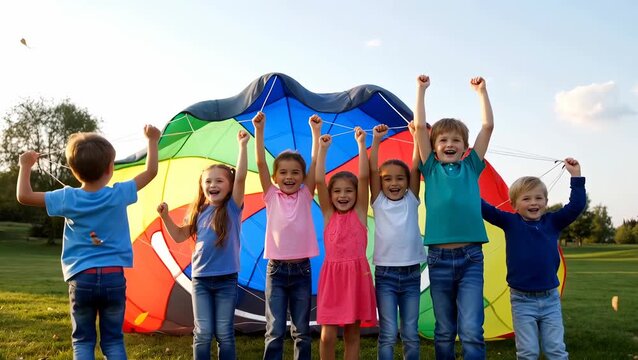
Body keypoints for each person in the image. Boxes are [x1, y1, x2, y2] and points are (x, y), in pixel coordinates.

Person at [16, 125, 160, 359]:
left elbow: (24, 196)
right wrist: (152, 140)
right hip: (114, 277)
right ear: (110, 169)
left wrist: (25, 166)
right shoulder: (118, 194)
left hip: (81, 278)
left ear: (74, 171)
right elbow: (151, 172)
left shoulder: (67, 197)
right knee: (113, 341)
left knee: (83, 341)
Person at [413, 74, 494, 360]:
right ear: (434, 147)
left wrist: (481, 92)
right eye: (443, 140)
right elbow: (421, 128)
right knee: (445, 329)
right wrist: (421, 91)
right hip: (438, 260)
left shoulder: (472, 166)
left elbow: (488, 126)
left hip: (471, 258)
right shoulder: (430, 169)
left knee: (472, 329)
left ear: (465, 146)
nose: (450, 144)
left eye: (456, 140)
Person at [156, 129, 250, 360]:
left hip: (226, 279)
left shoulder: (232, 208)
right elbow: (178, 235)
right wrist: (165, 216)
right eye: (208, 181)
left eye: (219, 181)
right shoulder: (199, 212)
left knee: (224, 333)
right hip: (201, 280)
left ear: (229, 186)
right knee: (203, 333)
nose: (213, 185)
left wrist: (243, 146)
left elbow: (240, 177)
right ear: (202, 185)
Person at [481, 158, 585, 360]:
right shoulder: (510, 222)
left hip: (550, 300)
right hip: (522, 301)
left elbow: (576, 205)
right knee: (528, 352)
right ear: (514, 205)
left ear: (546, 202)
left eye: (539, 198)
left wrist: (576, 175)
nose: (534, 203)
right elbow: (483, 208)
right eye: (526, 199)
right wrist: (464, 181)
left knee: (556, 350)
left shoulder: (553, 222)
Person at [253, 111, 321, 360]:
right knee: (274, 329)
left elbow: (314, 163)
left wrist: (315, 133)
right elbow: (260, 163)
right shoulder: (271, 195)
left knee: (302, 330)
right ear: (274, 177)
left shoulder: (305, 194)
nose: (289, 177)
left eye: (295, 173)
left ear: (302, 178)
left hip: (301, 271)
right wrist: (259, 130)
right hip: (277, 271)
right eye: (283, 172)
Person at [315, 129, 377, 360]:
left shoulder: (360, 212)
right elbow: (320, 180)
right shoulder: (328, 214)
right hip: (332, 279)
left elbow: (363, 178)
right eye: (338, 191)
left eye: (349, 191)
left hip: (356, 277)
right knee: (327, 336)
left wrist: (361, 144)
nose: (343, 195)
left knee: (352, 335)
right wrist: (323, 150)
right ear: (330, 196)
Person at [369, 122, 427, 360]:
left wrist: (415, 137)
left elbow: (415, 168)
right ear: (381, 184)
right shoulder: (378, 201)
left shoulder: (412, 200)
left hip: (412, 274)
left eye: (399, 179)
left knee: (411, 332)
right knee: (388, 332)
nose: (394, 183)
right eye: (388, 179)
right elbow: (372, 170)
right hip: (385, 276)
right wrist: (376, 140)